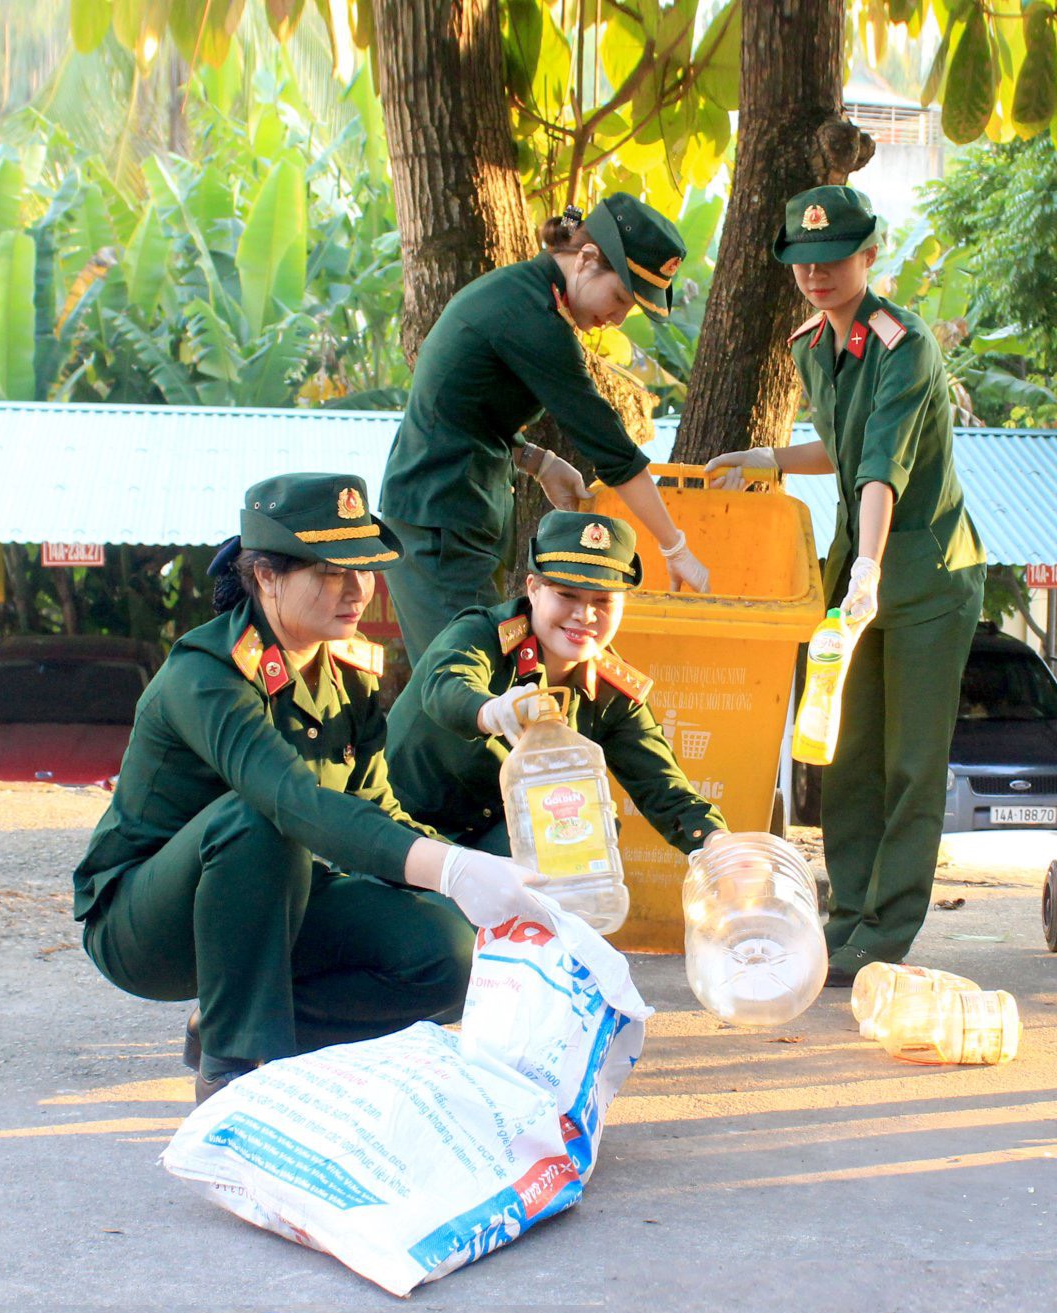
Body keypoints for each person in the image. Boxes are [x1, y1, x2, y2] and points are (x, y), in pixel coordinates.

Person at [72, 474, 556, 1102]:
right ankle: (234, 1070)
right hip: (151, 925)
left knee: (448, 955)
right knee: (256, 820)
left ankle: (238, 1022)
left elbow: (375, 808)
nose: (358, 590)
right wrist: (452, 867)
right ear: (266, 576)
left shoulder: (346, 673)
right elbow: (293, 802)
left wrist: (484, 886)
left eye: (365, 569)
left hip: (280, 899)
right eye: (331, 572)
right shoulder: (208, 675)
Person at [704, 185, 986, 984]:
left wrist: (866, 567)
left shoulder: (907, 345)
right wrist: (772, 459)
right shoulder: (808, 345)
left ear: (869, 255)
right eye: (803, 262)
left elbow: (880, 466)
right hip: (855, 571)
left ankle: (887, 931)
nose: (817, 275)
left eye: (834, 260)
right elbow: (841, 443)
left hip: (926, 573)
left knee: (909, 762)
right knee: (848, 755)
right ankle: (845, 916)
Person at [380, 193, 712, 664]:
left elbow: (468, 409)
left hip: (457, 515)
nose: (617, 319)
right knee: (460, 683)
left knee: (477, 677)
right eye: (619, 297)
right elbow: (610, 446)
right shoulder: (532, 318)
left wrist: (538, 460)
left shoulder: (523, 294)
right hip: (440, 523)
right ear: (588, 258)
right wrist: (673, 547)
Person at [386, 510, 726, 859]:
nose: (585, 615)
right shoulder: (482, 633)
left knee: (590, 825)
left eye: (603, 600)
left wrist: (718, 844)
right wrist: (493, 710)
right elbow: (446, 685)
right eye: (567, 595)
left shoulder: (613, 690)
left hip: (495, 841)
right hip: (407, 828)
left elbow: (663, 788)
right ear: (533, 589)